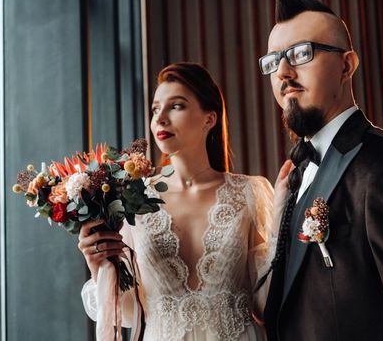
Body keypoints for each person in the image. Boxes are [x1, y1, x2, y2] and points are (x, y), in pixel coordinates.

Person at [260, 0, 383, 341]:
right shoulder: (296, 175)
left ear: (346, 65)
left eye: (301, 54)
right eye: (273, 61)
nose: (283, 72)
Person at [78, 62, 280, 340]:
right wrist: (97, 264)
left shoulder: (250, 192)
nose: (160, 118)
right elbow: (127, 311)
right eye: (155, 108)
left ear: (209, 119)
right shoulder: (133, 199)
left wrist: (281, 224)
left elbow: (266, 301)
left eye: (176, 106)